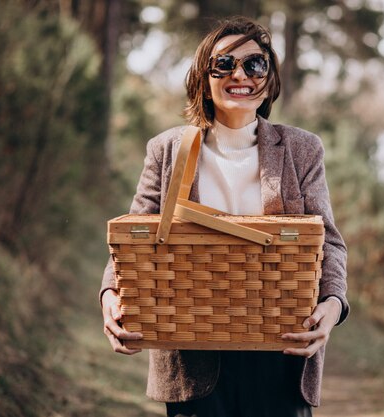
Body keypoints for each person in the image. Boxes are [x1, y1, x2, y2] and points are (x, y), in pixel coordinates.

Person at [100, 16, 349, 417]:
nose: (240, 75)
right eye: (224, 64)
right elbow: (134, 236)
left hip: (281, 351)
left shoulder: (302, 149)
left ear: (269, 77)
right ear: (204, 77)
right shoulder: (167, 150)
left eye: (254, 64)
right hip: (191, 356)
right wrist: (111, 295)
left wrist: (333, 303)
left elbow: (329, 241)